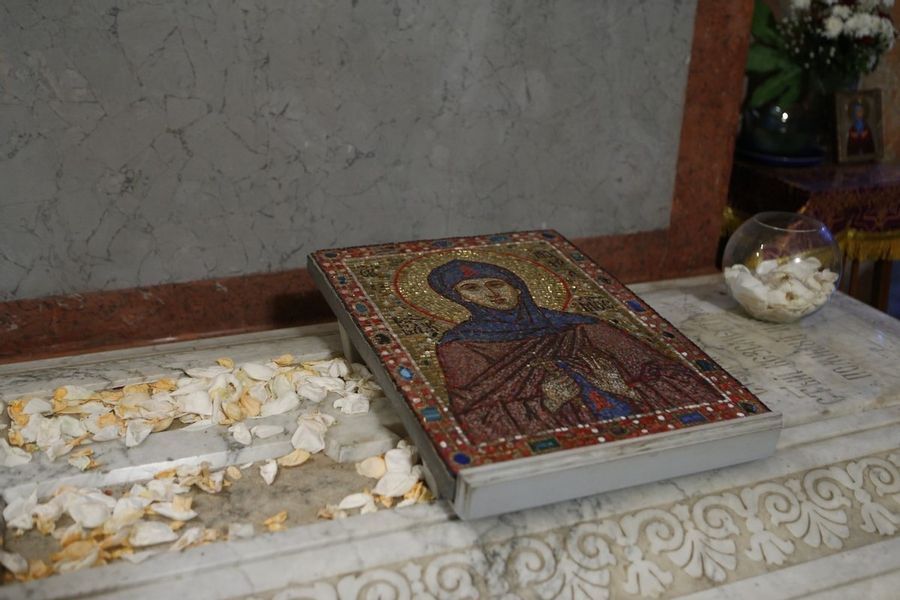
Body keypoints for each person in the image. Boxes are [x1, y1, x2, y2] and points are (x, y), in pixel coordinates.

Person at [427, 259, 723, 444]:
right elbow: (471, 420)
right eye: (472, 288)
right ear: (460, 299)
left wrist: (626, 389)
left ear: (518, 288)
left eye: (496, 283)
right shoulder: (461, 345)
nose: (490, 293)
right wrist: (548, 403)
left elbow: (688, 383)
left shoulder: (584, 327)